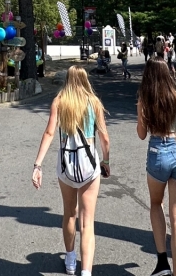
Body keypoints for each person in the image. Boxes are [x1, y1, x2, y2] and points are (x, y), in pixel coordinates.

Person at [32, 66, 110, 276]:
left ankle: (70, 258)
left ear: (67, 80)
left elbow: (49, 132)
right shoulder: (93, 103)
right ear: (85, 80)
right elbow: (104, 138)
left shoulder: (59, 101)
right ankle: (85, 272)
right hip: (89, 166)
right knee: (87, 222)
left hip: (66, 165)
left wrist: (38, 165)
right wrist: (106, 161)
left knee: (69, 213)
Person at [137, 59, 176, 276]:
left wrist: (141, 113)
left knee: (156, 204)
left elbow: (142, 134)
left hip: (157, 153)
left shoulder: (146, 99)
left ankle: (162, 261)